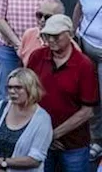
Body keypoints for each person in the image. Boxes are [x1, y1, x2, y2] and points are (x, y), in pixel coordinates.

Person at [25, 14, 99, 171]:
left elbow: (87, 111)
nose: (51, 40)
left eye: (56, 36)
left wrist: (51, 134)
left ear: (70, 34)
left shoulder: (84, 66)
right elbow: (25, 93)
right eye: (47, 35)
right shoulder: (37, 57)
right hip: (38, 140)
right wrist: (43, 135)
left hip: (73, 144)